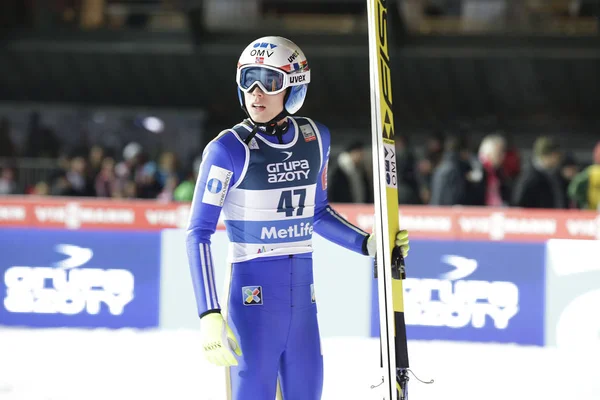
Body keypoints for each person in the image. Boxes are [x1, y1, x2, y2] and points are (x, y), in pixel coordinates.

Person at [185, 36, 410, 400]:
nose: (256, 93)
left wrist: (368, 244)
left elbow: (317, 213)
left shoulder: (315, 139)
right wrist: (209, 314)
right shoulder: (228, 149)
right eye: (248, 80)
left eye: (269, 81)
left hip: (303, 310)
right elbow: (197, 233)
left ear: (293, 87)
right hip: (252, 307)